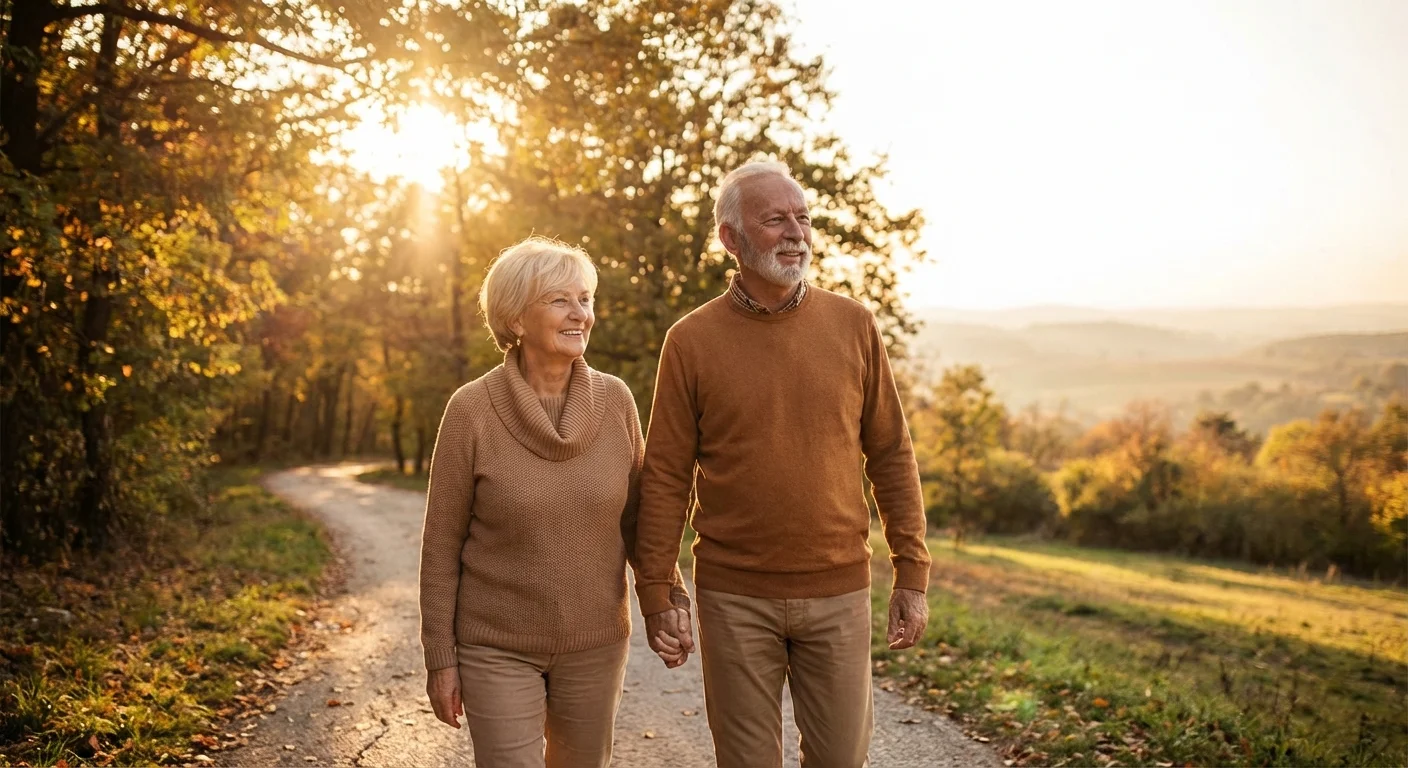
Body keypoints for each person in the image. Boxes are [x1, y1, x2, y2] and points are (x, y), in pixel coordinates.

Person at [634, 161, 934, 768]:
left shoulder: (854, 325)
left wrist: (912, 571)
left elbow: (892, 454)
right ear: (730, 238)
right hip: (733, 596)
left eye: (803, 217)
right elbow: (666, 475)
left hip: (839, 589)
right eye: (775, 220)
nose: (796, 232)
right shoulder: (690, 341)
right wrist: (656, 587)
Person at [418, 236, 687, 768]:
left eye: (585, 299)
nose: (580, 314)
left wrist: (666, 600)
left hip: (595, 641)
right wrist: (440, 659)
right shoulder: (470, 411)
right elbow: (441, 546)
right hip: (496, 644)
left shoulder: (615, 402)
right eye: (560, 300)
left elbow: (639, 521)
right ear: (516, 320)